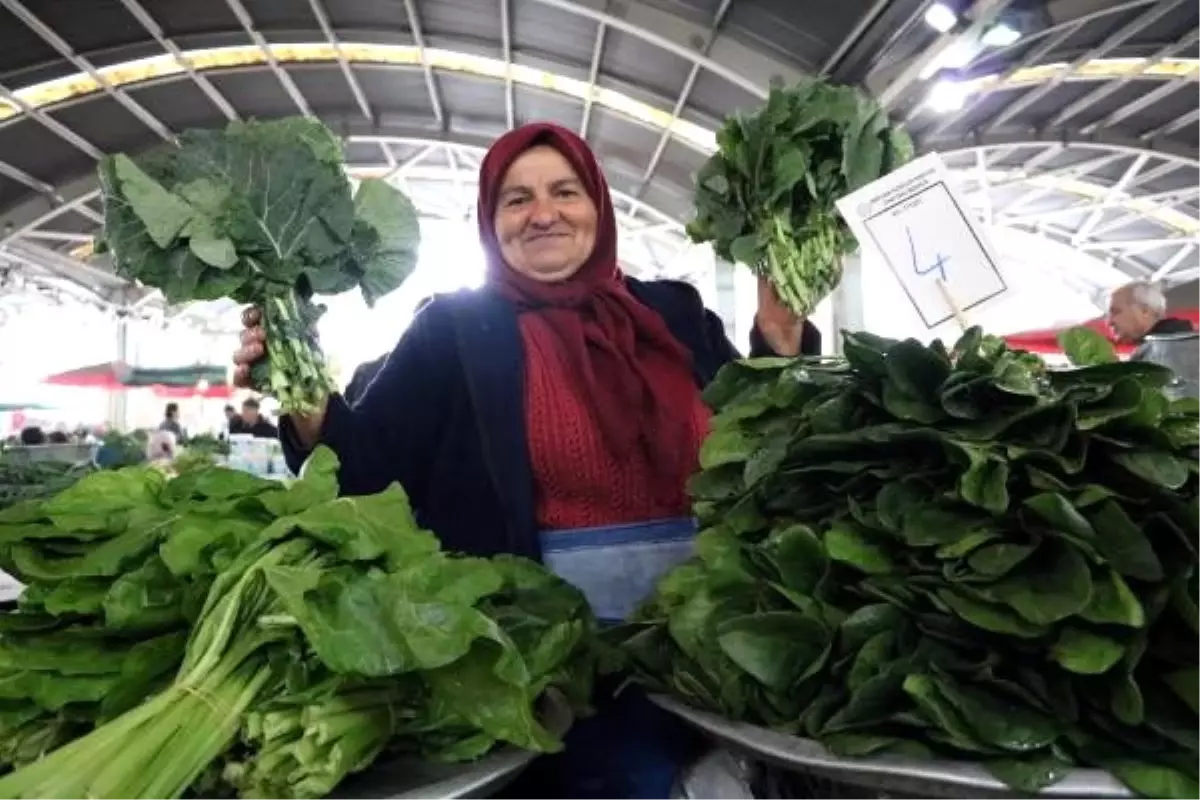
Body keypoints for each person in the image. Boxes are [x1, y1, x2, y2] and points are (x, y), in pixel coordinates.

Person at [232, 121, 820, 799]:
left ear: (598, 206)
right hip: (543, 659)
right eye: (516, 199)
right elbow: (367, 473)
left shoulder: (674, 313)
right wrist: (303, 400)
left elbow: (758, 438)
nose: (543, 213)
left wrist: (780, 345)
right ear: (490, 221)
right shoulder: (452, 330)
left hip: (709, 642)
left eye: (565, 192)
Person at [1108, 281, 1194, 361]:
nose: (1110, 322)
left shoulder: (1158, 355)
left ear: (1144, 311)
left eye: (1116, 311)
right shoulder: (1183, 344)